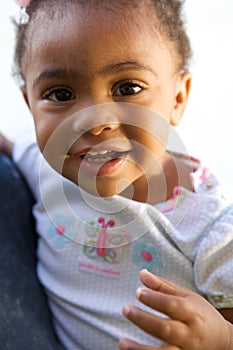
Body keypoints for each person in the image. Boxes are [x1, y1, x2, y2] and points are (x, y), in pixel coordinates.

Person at [1, 0, 233, 349]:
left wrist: (220, 339)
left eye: (127, 88)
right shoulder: (43, 168)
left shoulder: (210, 223)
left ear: (178, 98)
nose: (95, 121)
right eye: (61, 94)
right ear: (30, 105)